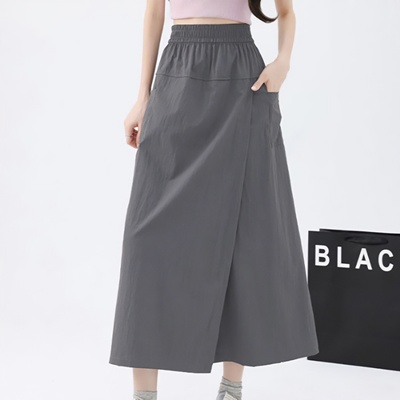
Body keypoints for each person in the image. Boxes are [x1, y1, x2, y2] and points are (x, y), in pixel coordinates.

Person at [109, 1, 320, 399]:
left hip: (243, 79)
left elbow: (287, 12)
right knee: (147, 242)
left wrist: (283, 62)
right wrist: (143, 96)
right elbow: (154, 12)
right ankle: (144, 394)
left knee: (244, 231)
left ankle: (231, 387)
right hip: (177, 70)